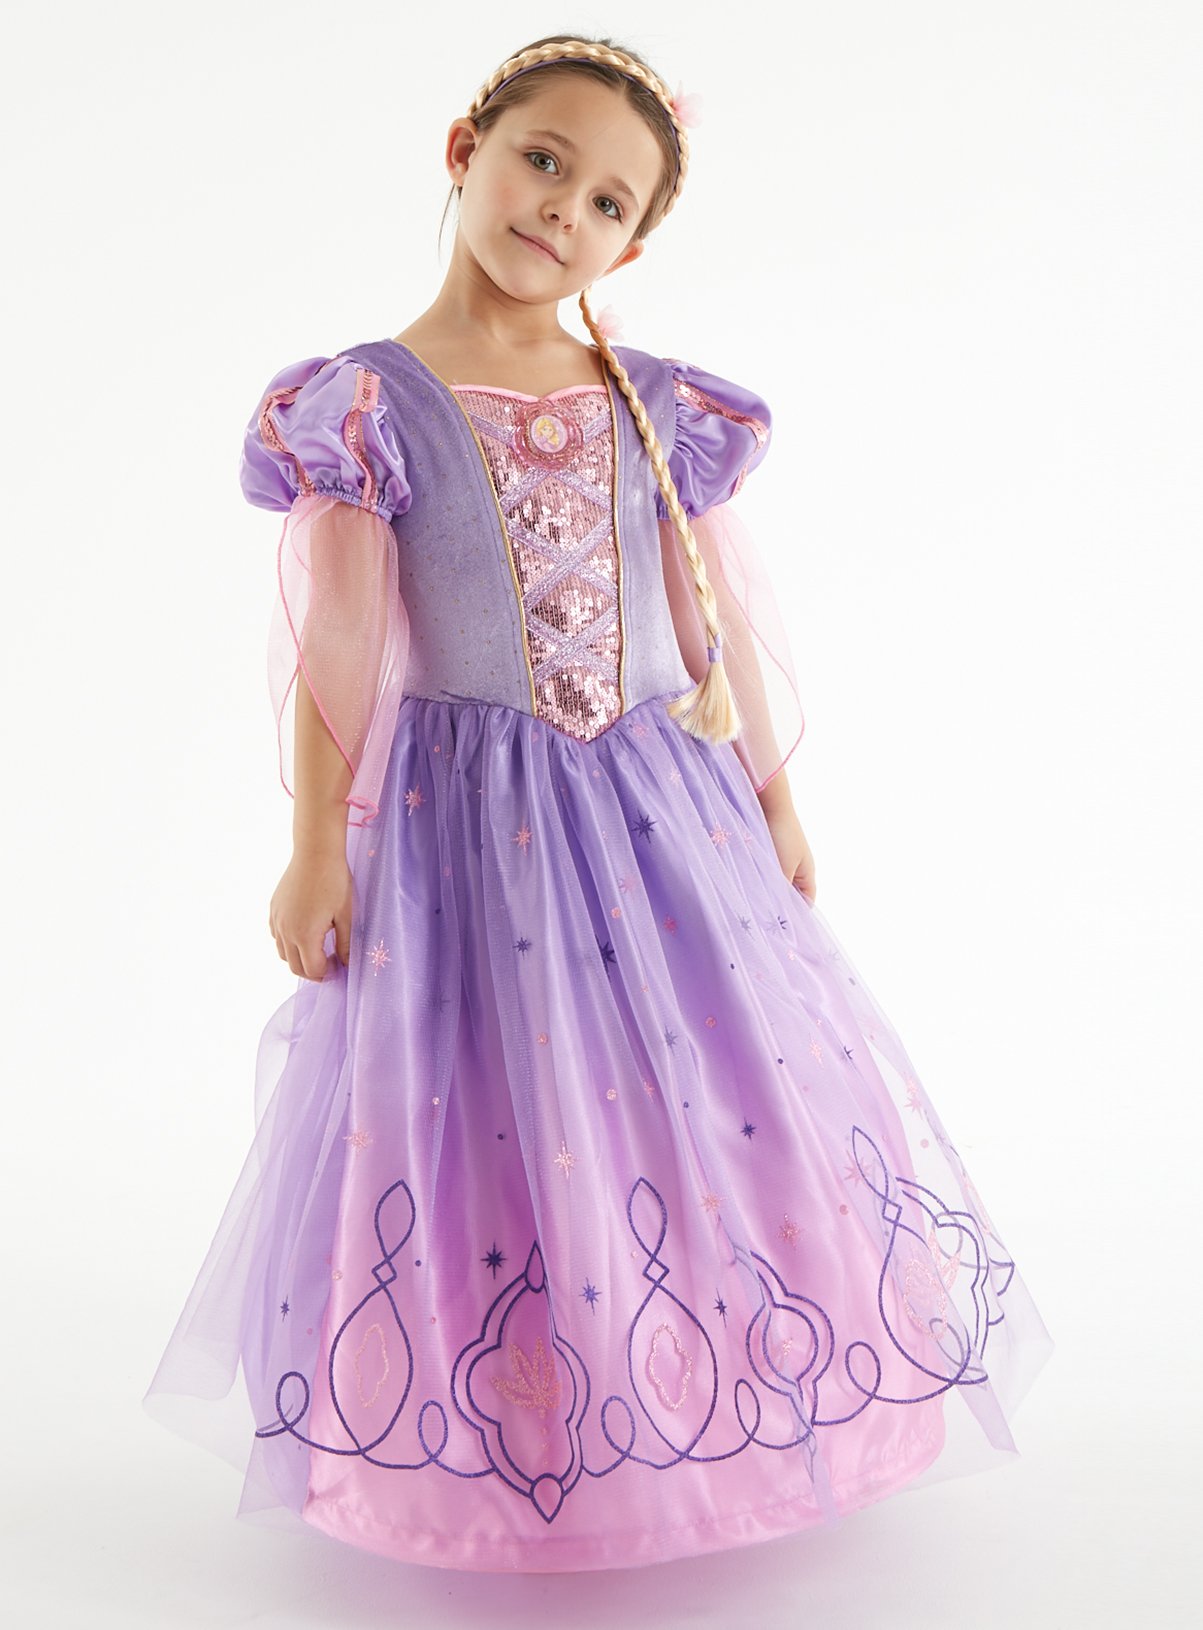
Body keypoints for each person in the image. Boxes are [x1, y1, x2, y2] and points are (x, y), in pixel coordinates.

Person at [143, 33, 1053, 1574]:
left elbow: (710, 623)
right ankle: (527, 1430)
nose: (564, 209)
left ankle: (720, 1397)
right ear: (467, 150)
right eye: (543, 161)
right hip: (466, 824)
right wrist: (312, 849)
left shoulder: (653, 402)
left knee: (707, 1083)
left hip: (662, 809)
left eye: (608, 202)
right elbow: (340, 643)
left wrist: (775, 799)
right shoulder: (370, 404)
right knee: (501, 1095)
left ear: (632, 246)